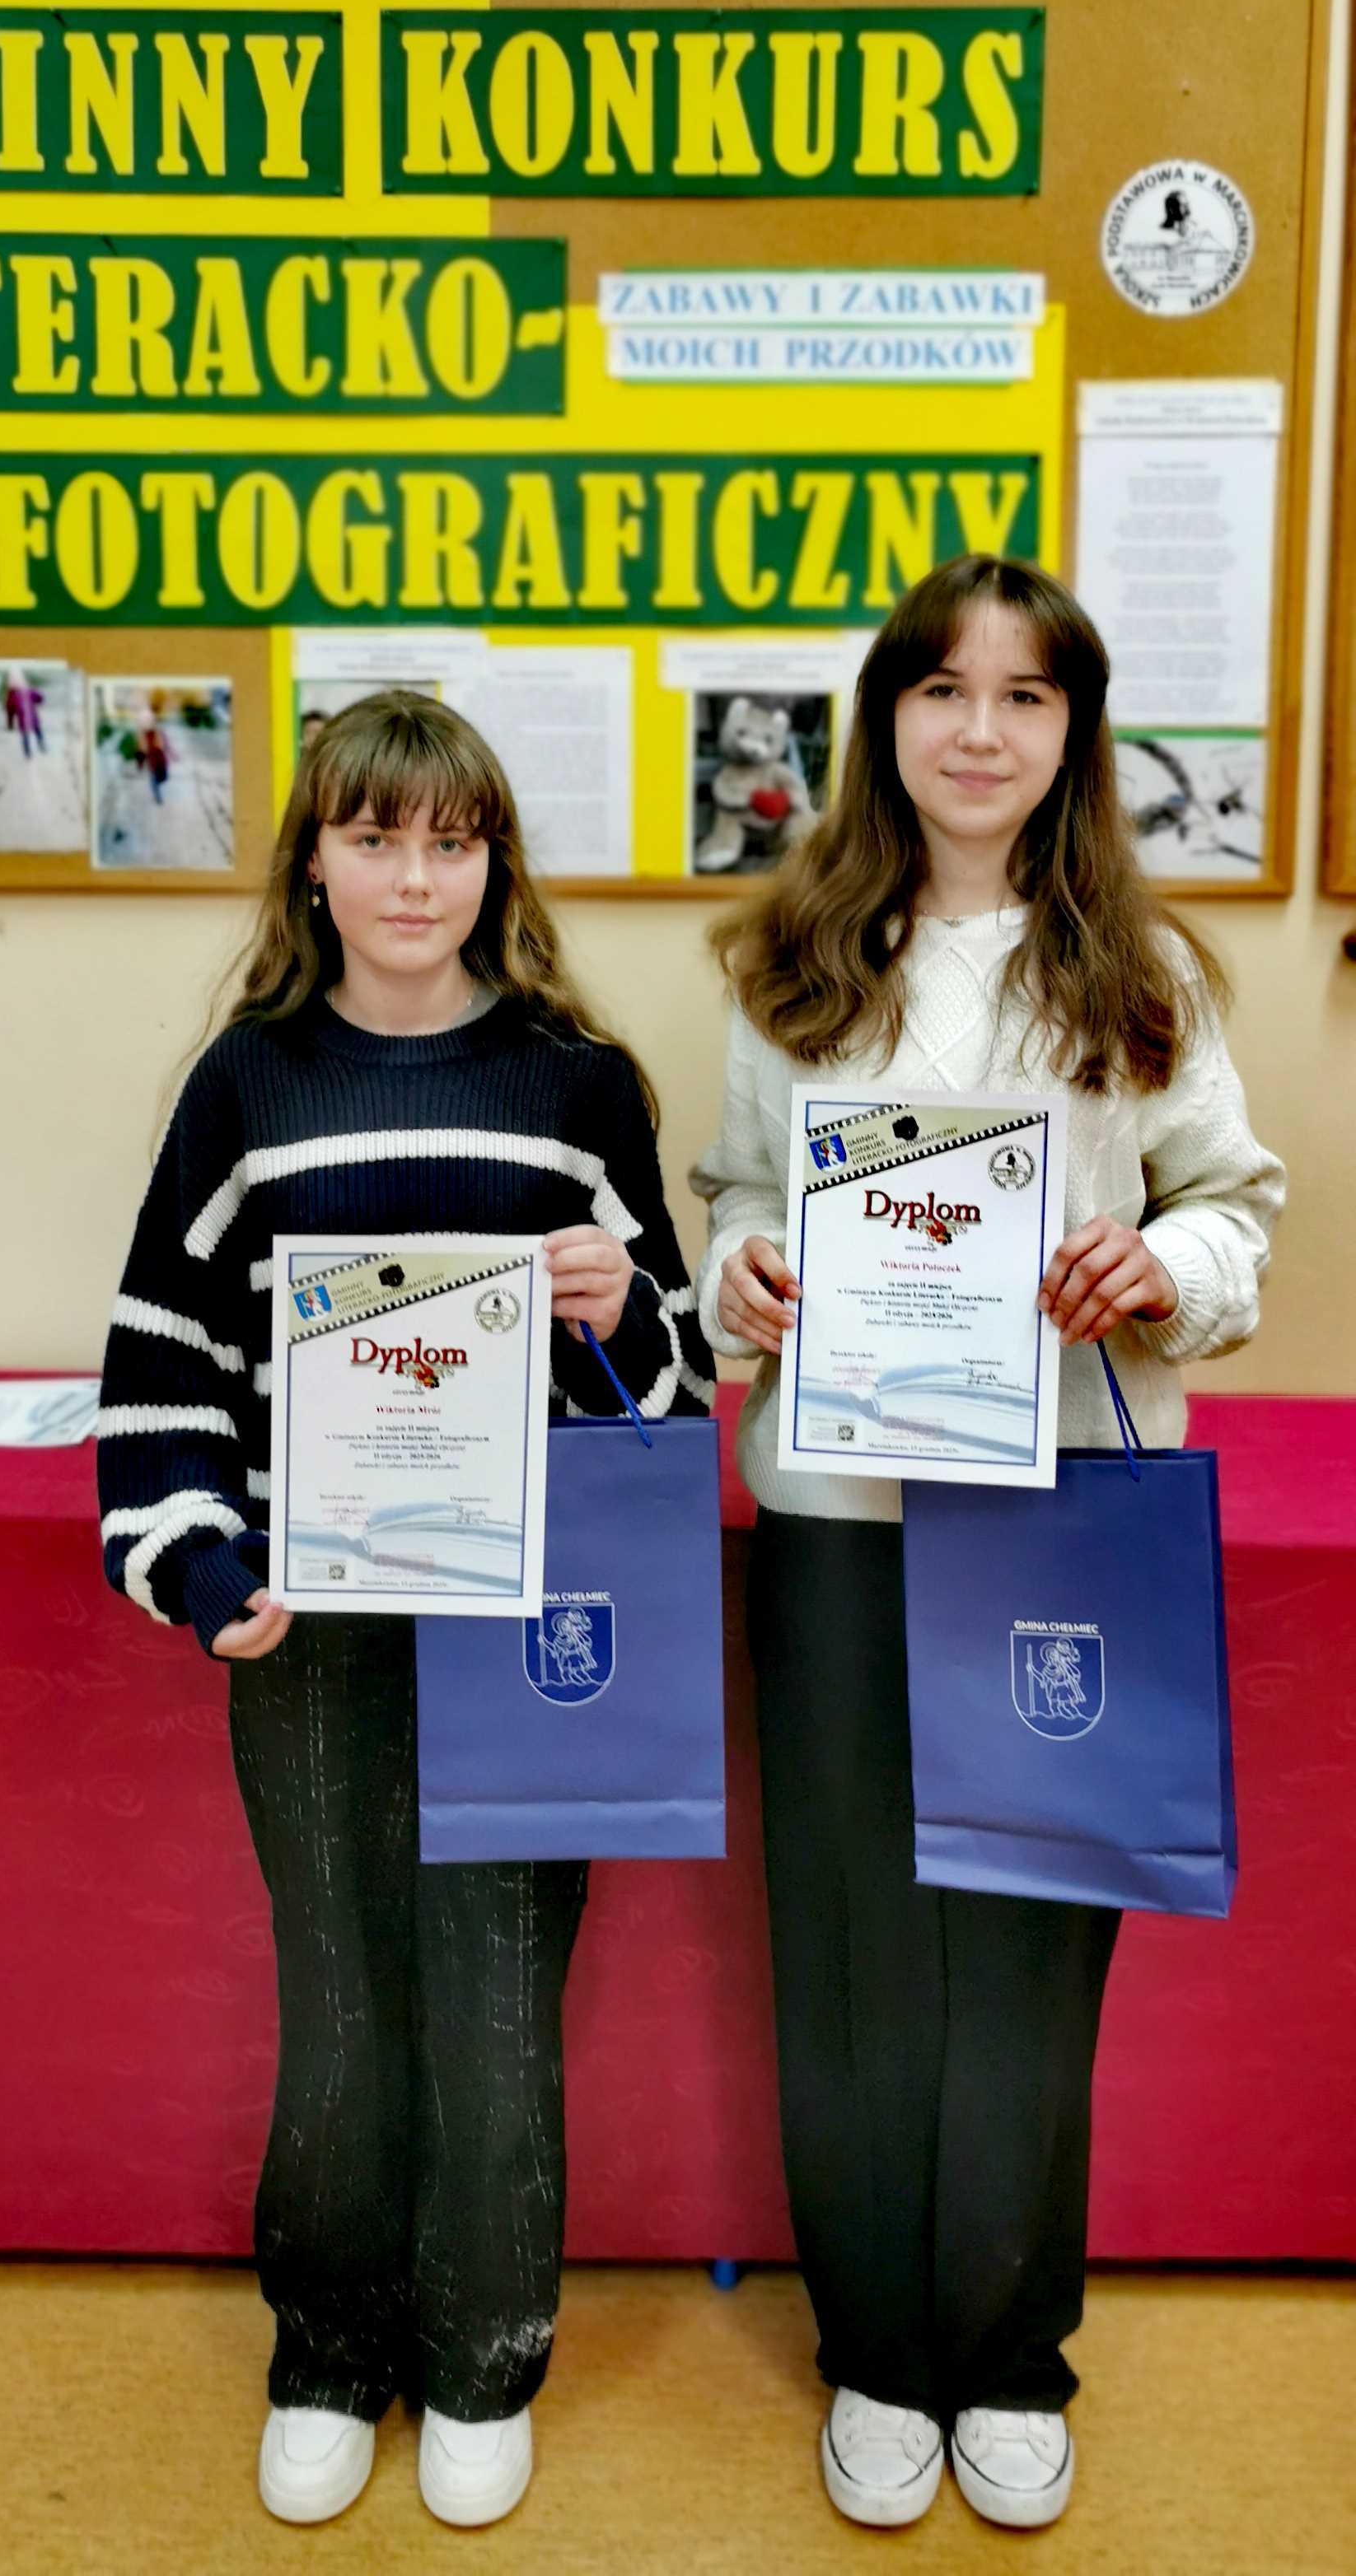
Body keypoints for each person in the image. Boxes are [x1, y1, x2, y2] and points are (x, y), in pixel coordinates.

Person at [690, 555, 1283, 2534]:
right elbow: (730, 1199)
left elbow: (1234, 1207)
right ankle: (877, 2351)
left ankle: (1013, 2353)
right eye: (942, 689)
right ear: (886, 719)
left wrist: (1163, 1266)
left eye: (1026, 696)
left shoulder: (1146, 973)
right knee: (851, 1947)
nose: (979, 729)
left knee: (1034, 1943)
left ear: (1073, 734)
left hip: (1058, 1527)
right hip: (840, 1525)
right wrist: (743, 1274)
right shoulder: (789, 958)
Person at [97, 690, 713, 2531]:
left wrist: (620, 1313)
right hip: (313, 1633)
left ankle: (482, 2356)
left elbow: (676, 1386)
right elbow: (161, 1369)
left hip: (528, 1633)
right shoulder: (246, 1086)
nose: (414, 878)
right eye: (375, 838)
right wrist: (206, 1570)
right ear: (316, 862)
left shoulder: (576, 1085)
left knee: (500, 2002)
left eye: (451, 842)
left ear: (494, 865)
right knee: (345, 1999)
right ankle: (326, 2349)